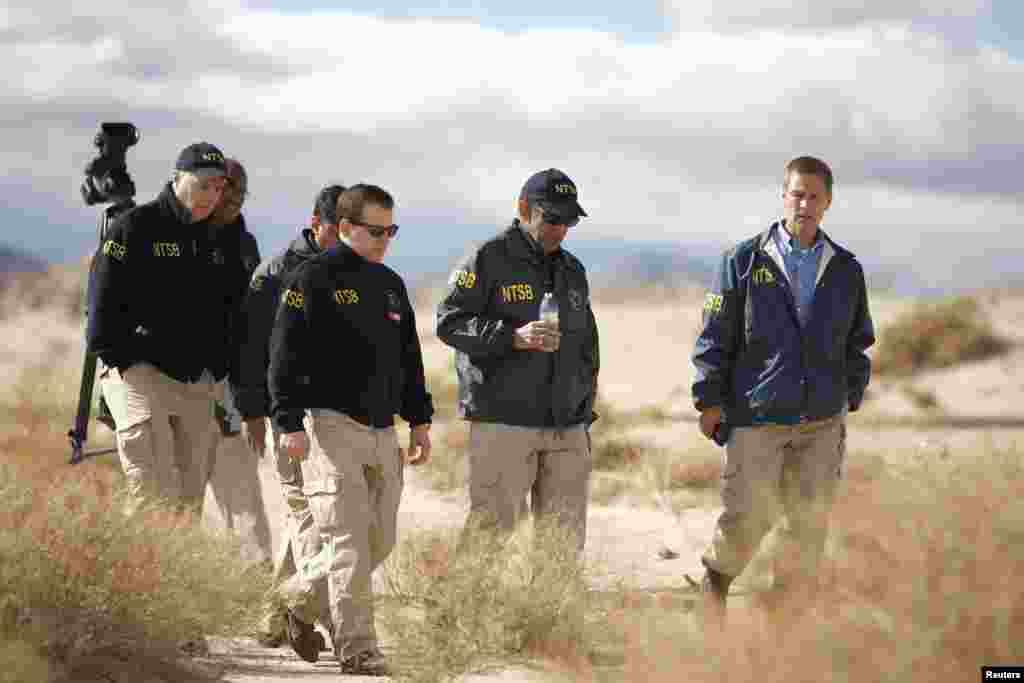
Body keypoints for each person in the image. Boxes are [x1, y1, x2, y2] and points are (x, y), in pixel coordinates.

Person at [691, 156, 875, 627]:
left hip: (821, 420)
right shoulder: (743, 260)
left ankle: (784, 624)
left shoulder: (846, 269)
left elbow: (859, 340)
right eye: (797, 193)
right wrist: (709, 399)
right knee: (746, 516)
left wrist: (847, 394)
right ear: (784, 195)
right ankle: (714, 588)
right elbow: (715, 334)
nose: (805, 204)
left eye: (815, 196)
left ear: (828, 202)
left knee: (808, 523)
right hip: (758, 415)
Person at [268, 183, 433, 676]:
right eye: (374, 230)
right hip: (329, 424)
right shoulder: (309, 279)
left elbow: (409, 359)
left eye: (392, 231)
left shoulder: (391, 284)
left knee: (380, 539)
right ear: (344, 228)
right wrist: (288, 422)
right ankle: (358, 648)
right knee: (347, 542)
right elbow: (284, 354)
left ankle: (298, 597)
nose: (385, 239)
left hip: (382, 429)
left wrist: (419, 419)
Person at [436, 168, 599, 558]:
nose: (560, 229)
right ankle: (454, 617)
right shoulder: (487, 258)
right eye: (552, 219)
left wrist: (583, 410)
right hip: (503, 420)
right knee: (490, 530)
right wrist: (512, 337)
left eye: (568, 221)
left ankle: (555, 619)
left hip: (566, 426)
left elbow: (586, 344)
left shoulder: (573, 270)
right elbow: (450, 322)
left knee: (564, 541)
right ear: (524, 209)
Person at [89, 142, 246, 510]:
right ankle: (134, 568)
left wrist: (222, 370)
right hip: (141, 375)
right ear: (177, 179)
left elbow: (233, 313)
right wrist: (125, 359)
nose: (211, 194)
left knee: (188, 502)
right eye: (202, 183)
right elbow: (100, 305)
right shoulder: (136, 227)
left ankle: (168, 568)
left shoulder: (219, 240)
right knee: (151, 494)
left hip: (197, 383)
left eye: (219, 186)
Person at [232, 184, 346, 655]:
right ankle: (306, 615)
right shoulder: (278, 272)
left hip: (337, 411)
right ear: (316, 223)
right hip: (291, 414)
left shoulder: (354, 269)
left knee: (313, 518)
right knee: (310, 514)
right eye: (337, 229)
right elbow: (250, 346)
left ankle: (277, 614)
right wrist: (255, 410)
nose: (344, 239)